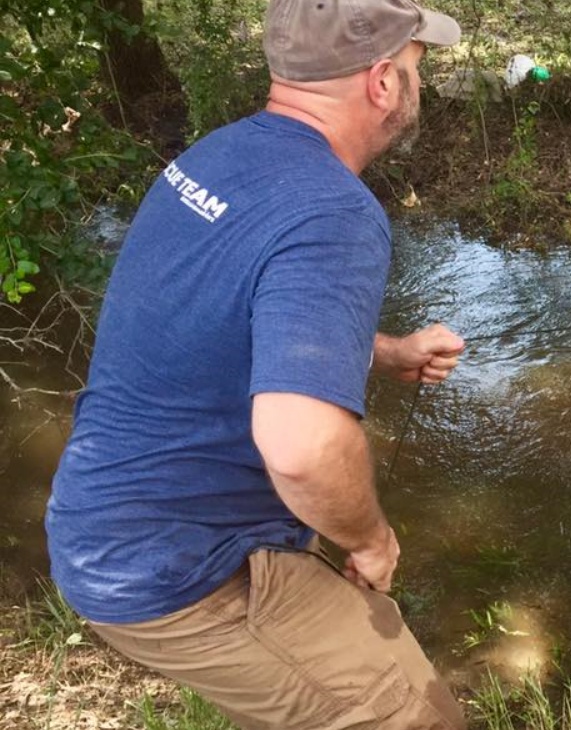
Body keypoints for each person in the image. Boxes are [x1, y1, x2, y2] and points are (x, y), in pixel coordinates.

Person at [44, 0, 468, 727]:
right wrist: (369, 540)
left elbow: (232, 323)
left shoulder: (214, 158)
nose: (415, 84)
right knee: (416, 716)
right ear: (382, 84)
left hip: (98, 528)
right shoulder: (335, 212)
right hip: (183, 571)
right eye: (415, 68)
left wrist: (385, 350)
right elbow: (301, 449)